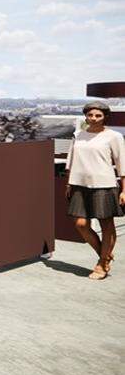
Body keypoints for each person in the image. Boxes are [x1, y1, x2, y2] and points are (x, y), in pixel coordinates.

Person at [65, 101, 125, 280]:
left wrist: (124, 190)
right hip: (78, 185)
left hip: (104, 185)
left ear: (105, 117)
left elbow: (122, 164)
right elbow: (71, 160)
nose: (93, 118)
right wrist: (68, 184)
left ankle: (102, 264)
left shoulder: (114, 136)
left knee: (106, 225)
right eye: (90, 115)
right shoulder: (78, 135)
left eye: (98, 115)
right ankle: (105, 256)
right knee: (80, 224)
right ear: (85, 116)